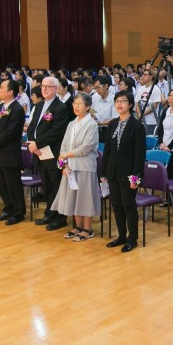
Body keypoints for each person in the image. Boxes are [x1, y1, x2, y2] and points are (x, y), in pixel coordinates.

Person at [102, 90, 146, 253]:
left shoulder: (137, 126)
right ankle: (121, 236)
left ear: (130, 104)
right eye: (117, 101)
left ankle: (132, 239)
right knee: (116, 205)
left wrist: (136, 176)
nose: (119, 104)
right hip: (113, 171)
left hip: (128, 173)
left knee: (128, 205)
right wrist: (103, 172)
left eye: (123, 101)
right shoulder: (112, 124)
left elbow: (139, 154)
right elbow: (107, 150)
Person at [53, 92, 102, 240]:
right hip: (70, 167)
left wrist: (65, 155)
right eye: (75, 103)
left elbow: (85, 148)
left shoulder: (91, 124)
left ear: (87, 107)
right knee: (74, 197)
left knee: (85, 198)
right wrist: (64, 164)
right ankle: (78, 227)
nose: (76, 106)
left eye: (80, 104)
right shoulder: (71, 124)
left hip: (85, 166)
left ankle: (88, 229)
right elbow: (63, 145)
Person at [27, 76, 71, 230]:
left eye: (48, 86)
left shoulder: (60, 108)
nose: (44, 89)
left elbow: (56, 132)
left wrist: (37, 144)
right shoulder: (39, 106)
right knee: (46, 186)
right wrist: (32, 143)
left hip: (52, 153)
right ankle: (49, 213)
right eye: (43, 86)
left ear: (56, 89)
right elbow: (32, 127)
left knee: (56, 185)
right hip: (39, 152)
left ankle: (60, 217)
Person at [0, 79, 27, 225]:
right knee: (1, 183)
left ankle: (18, 212)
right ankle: (8, 208)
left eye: (2, 88)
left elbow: (11, 132)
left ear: (10, 92)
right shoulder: (0, 107)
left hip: (9, 153)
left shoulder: (17, 109)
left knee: (13, 184)